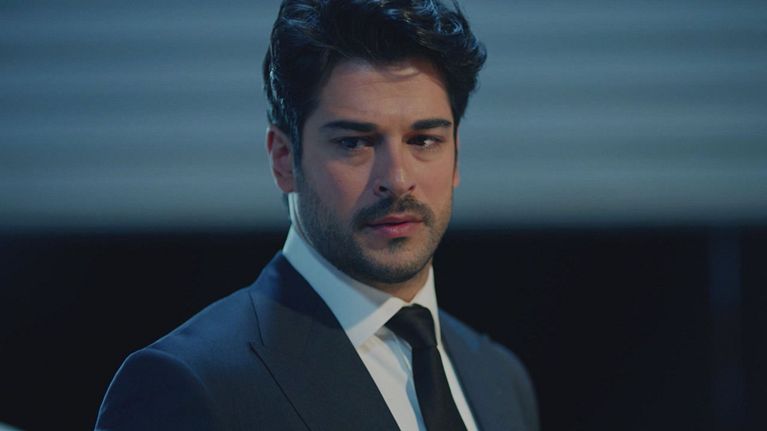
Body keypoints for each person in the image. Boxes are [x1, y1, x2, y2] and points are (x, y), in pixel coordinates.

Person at [95, 0, 538, 430]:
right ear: (283, 160)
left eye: (423, 140)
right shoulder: (191, 383)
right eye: (354, 142)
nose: (398, 179)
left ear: (456, 155)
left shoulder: (498, 378)